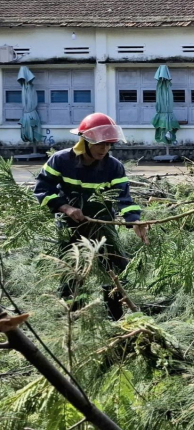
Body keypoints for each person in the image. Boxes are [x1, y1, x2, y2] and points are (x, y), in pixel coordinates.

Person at [33, 113, 148, 320]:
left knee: (115, 270)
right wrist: (66, 208)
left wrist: (135, 221)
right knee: (73, 272)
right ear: (84, 141)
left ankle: (116, 316)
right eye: (100, 145)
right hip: (71, 226)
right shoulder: (60, 160)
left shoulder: (113, 166)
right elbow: (42, 190)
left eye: (108, 145)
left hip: (103, 226)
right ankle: (72, 317)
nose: (104, 150)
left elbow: (124, 199)